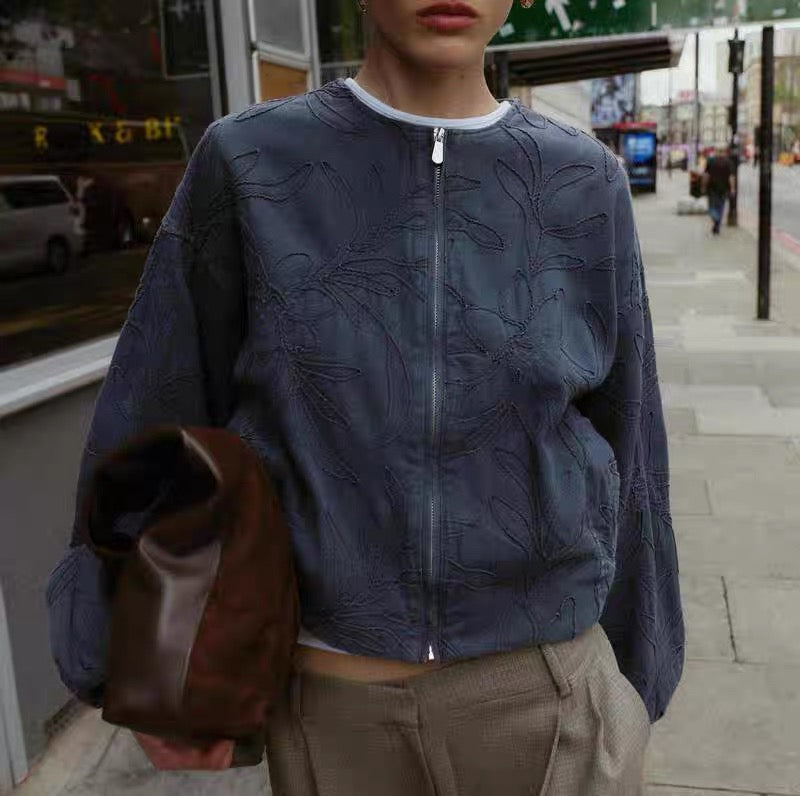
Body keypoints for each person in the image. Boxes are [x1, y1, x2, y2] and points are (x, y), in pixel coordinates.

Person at [45, 1, 685, 793]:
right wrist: (130, 660)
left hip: (552, 705)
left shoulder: (583, 182)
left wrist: (640, 677)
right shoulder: (250, 163)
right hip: (334, 714)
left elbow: (632, 443)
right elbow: (152, 408)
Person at [703, 146, 736, 235]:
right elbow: (731, 177)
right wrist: (732, 189)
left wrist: (703, 186)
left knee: (711, 207)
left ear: (716, 151)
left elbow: (706, 175)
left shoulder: (711, 161)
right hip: (724, 189)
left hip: (712, 188)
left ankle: (716, 220)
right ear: (725, 152)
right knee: (721, 207)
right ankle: (717, 224)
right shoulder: (729, 162)